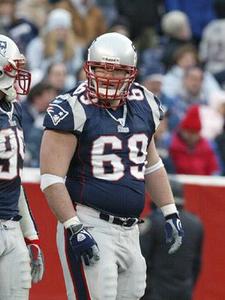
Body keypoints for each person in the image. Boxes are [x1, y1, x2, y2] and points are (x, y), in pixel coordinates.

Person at [40, 32, 184, 300]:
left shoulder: (146, 103)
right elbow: (51, 179)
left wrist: (170, 211)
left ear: (131, 72)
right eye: (100, 69)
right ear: (88, 67)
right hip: (90, 223)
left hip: (130, 230)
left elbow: (151, 164)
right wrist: (74, 227)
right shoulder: (72, 107)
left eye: (117, 71)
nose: (108, 77)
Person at [0, 34, 44, 299]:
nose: (17, 76)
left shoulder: (11, 109)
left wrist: (31, 235)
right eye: (11, 69)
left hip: (10, 225)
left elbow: (13, 180)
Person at [140, 179, 204, 300]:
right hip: (183, 293)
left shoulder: (153, 222)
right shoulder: (196, 224)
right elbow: (196, 264)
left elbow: (141, 259)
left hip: (154, 293)